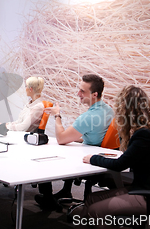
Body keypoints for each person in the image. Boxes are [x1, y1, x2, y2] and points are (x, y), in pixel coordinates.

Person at [69, 85, 150, 225]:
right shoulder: (148, 130)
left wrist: (93, 158)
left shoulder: (144, 134)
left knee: (96, 210)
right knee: (90, 199)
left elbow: (119, 165)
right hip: (145, 189)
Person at [34, 74, 114, 211]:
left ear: (94, 94)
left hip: (90, 158)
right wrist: (73, 137)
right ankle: (66, 190)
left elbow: (61, 139)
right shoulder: (108, 110)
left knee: (46, 154)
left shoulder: (88, 117)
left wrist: (57, 115)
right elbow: (94, 136)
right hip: (98, 151)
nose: (78, 94)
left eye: (82, 91)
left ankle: (48, 198)